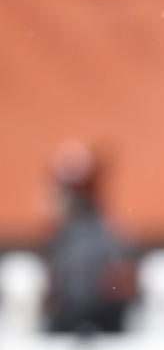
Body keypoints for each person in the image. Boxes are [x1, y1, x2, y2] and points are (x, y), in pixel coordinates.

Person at [44, 140, 135, 336]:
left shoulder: (107, 231)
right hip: (70, 314)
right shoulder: (63, 233)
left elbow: (120, 278)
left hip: (101, 316)